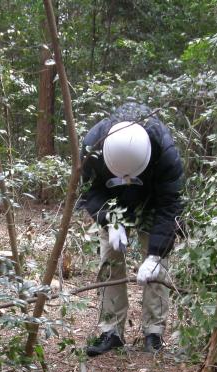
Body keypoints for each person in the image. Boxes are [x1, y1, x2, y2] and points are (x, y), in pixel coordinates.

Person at [78, 103, 184, 356]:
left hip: (151, 201)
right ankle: (111, 331)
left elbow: (170, 206)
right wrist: (109, 220)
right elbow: (90, 191)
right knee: (110, 257)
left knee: (156, 264)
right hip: (112, 201)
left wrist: (156, 253)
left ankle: (154, 333)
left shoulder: (165, 153)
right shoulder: (93, 146)